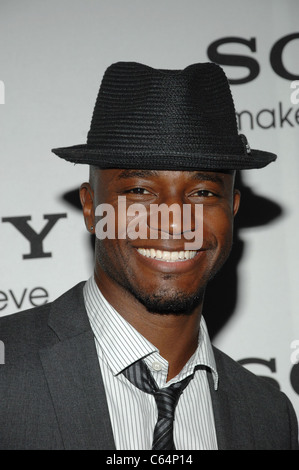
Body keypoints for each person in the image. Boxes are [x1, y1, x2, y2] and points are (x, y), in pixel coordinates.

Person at [0, 62, 298, 450]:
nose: (174, 222)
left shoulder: (269, 418)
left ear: (233, 210)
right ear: (91, 209)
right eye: (140, 191)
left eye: (203, 193)